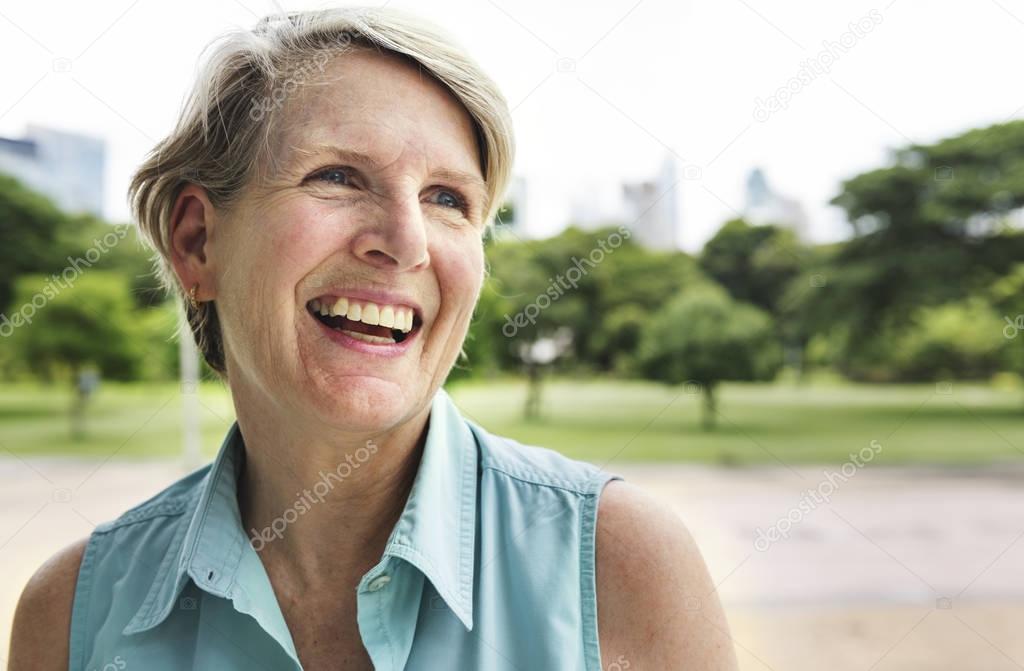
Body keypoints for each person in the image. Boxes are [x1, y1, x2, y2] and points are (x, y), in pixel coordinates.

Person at [8, 7, 738, 670]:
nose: (406, 242)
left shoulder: (621, 564)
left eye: (448, 199)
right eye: (338, 176)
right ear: (198, 240)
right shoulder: (72, 614)